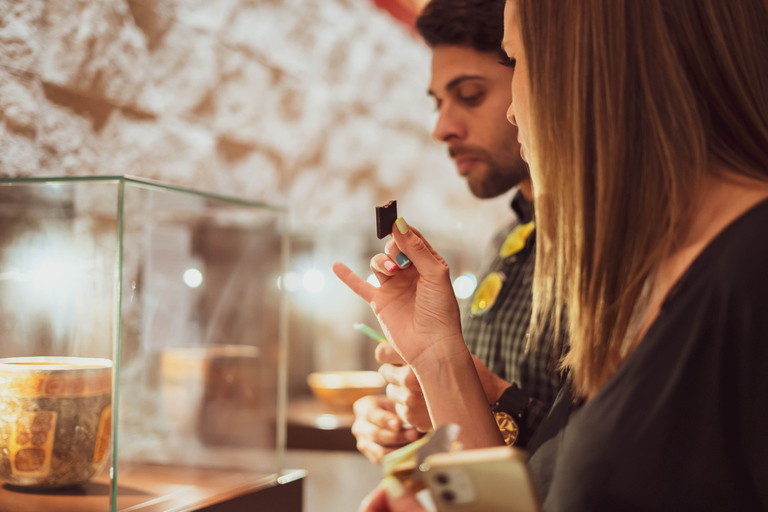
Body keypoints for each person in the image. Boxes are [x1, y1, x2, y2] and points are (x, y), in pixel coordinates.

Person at [334, 0, 768, 510]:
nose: (515, 111)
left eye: (516, 62)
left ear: (596, 66)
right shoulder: (641, 278)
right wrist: (437, 354)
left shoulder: (749, 270)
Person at [351, 0, 563, 465]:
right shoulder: (506, 246)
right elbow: (474, 445)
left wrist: (490, 397)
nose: (442, 128)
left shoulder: (604, 247)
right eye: (438, 103)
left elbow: (621, 458)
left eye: (469, 95)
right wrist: (416, 424)